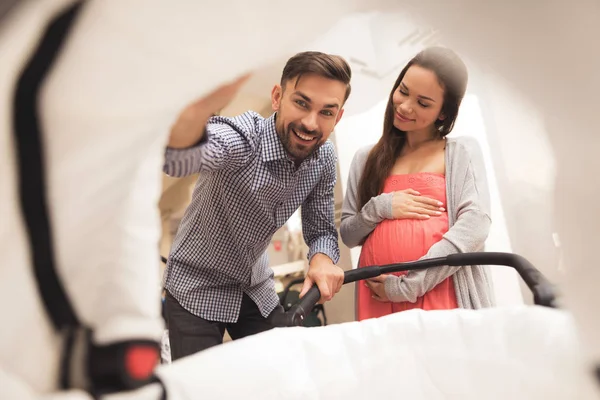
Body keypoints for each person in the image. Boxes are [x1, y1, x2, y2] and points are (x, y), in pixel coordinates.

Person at [163, 51, 349, 358]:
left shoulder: (324, 158)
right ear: (277, 97)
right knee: (199, 385)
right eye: (301, 103)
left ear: (338, 116)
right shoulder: (244, 138)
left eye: (326, 112)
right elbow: (177, 159)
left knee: (283, 371)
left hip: (253, 285)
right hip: (194, 286)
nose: (310, 123)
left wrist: (322, 259)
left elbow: (322, 231)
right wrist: (194, 114)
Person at [340, 47, 494, 321]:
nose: (405, 106)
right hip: (378, 296)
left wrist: (409, 285)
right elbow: (350, 235)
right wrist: (380, 207)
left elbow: (476, 224)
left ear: (443, 114)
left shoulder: (460, 152)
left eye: (423, 103)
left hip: (440, 291)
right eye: (403, 90)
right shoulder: (366, 159)